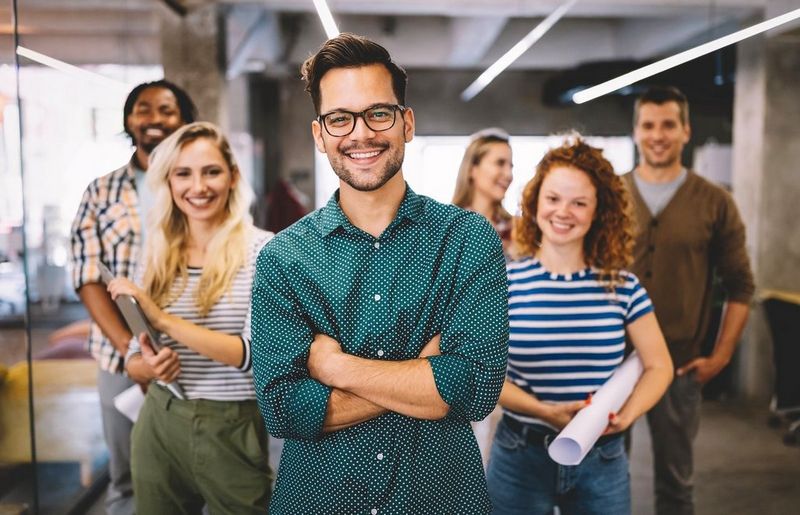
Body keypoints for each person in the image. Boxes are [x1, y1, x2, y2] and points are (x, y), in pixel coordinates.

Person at [250, 33, 508, 514]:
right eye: (339, 118)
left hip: (439, 497)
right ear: (319, 134)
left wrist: (333, 368)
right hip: (321, 499)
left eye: (378, 113)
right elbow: (284, 408)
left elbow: (473, 388)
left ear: (406, 122)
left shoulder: (468, 239)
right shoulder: (282, 258)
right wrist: (427, 382)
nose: (360, 134)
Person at [486, 137, 674, 515]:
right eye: (553, 198)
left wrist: (628, 415)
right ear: (536, 201)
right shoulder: (502, 284)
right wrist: (541, 410)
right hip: (520, 454)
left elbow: (659, 365)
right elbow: (483, 375)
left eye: (579, 202)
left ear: (598, 212)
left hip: (600, 457)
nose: (563, 212)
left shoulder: (622, 287)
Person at [106, 121, 273, 514]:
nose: (197, 188)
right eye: (183, 173)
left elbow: (252, 355)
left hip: (232, 424)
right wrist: (149, 365)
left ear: (232, 177)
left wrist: (162, 321)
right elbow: (133, 356)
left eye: (211, 171)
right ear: (168, 181)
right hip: (160, 420)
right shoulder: (158, 250)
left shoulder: (263, 250)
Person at [624, 86, 755, 515]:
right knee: (604, 480)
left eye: (667, 125)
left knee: (676, 484)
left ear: (686, 131)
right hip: (609, 362)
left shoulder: (715, 201)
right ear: (636, 131)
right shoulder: (611, 194)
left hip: (680, 363)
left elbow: (740, 286)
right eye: (648, 125)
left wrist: (720, 356)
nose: (657, 135)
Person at [70, 79, 196, 514]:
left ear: (183, 119)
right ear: (129, 120)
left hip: (192, 354)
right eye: (144, 109)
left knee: (191, 473)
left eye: (166, 109)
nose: (155, 119)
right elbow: (87, 276)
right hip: (118, 357)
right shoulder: (101, 192)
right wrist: (131, 352)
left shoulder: (197, 185)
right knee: (127, 481)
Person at [452, 128, 514, 253]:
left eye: (510, 166)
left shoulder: (516, 229)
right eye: (500, 163)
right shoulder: (450, 227)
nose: (509, 175)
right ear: (472, 169)